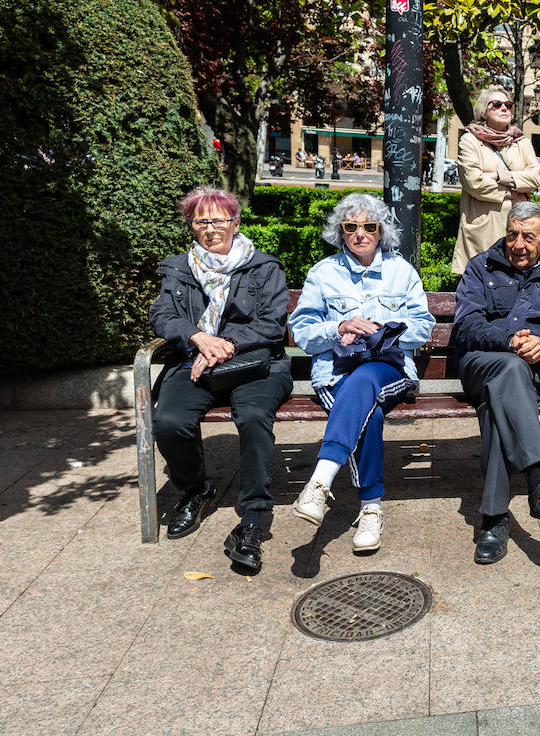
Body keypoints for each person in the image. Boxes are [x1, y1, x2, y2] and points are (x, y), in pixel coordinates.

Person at [150, 186, 292, 573]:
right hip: (195, 361)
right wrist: (198, 338)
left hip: (256, 366)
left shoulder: (264, 267)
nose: (211, 228)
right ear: (192, 226)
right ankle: (197, 490)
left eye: (219, 219)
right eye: (202, 221)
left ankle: (252, 521)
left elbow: (271, 324)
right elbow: (162, 316)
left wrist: (225, 343)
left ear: (236, 223)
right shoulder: (177, 268)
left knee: (253, 418)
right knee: (169, 421)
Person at [288, 194, 435, 554]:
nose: (360, 233)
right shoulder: (323, 273)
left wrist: (386, 329)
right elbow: (302, 331)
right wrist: (338, 327)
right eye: (351, 226)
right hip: (335, 374)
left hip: (390, 370)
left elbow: (424, 326)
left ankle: (320, 481)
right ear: (340, 232)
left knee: (367, 378)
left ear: (381, 230)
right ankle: (371, 507)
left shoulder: (402, 272)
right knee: (367, 411)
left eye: (369, 226)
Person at [452, 202, 540, 564]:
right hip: (480, 364)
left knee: (499, 406)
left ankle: (494, 521)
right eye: (512, 234)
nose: (518, 243)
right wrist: (512, 339)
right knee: (507, 370)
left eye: (528, 236)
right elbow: (466, 326)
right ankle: (539, 480)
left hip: (527, 371)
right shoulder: (481, 268)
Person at [450, 85, 540, 274]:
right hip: (484, 224)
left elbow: (536, 176)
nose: (504, 108)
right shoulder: (470, 140)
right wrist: (517, 188)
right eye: (496, 104)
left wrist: (498, 176)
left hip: (519, 223)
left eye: (508, 105)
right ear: (483, 112)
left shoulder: (521, 141)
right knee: (483, 280)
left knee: (518, 281)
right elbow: (473, 183)